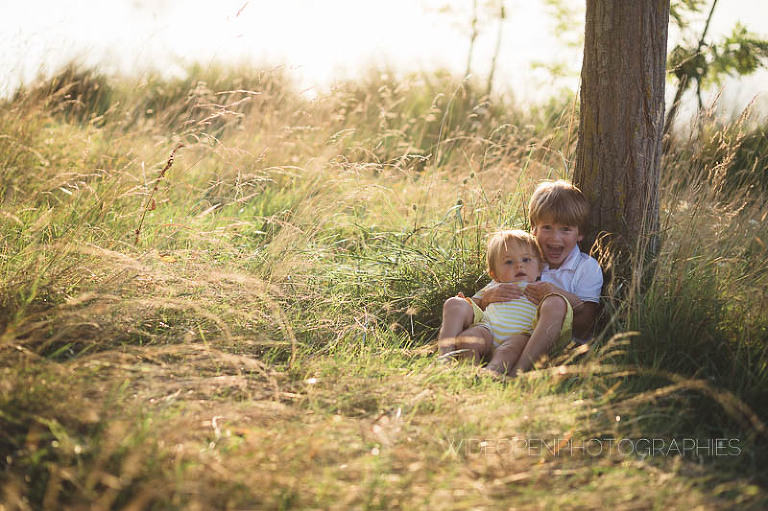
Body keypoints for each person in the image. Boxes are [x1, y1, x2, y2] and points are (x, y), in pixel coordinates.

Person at [438, 180, 603, 375]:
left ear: (580, 233)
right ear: (534, 228)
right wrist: (488, 297)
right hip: (495, 327)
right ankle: (446, 361)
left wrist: (555, 294)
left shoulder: (586, 267)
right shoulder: (523, 258)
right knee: (455, 303)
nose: (555, 238)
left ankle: (517, 371)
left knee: (555, 303)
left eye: (565, 229)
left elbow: (586, 323)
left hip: (536, 337)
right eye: (547, 227)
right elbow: (477, 302)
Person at [447, 229, 548, 375]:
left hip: (520, 334)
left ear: (539, 268)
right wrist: (467, 301)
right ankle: (469, 373)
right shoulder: (494, 286)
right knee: (466, 340)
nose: (519, 265)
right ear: (494, 274)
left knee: (507, 352)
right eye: (508, 262)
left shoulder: (541, 288)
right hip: (488, 329)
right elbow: (475, 304)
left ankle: (491, 375)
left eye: (526, 260)